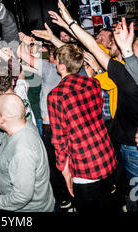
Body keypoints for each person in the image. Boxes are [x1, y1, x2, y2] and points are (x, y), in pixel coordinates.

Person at [57, 0, 138, 211]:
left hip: (131, 147)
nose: (105, 42)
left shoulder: (125, 77)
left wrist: (70, 22)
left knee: (133, 195)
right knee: (125, 189)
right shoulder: (126, 71)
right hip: (123, 142)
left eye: (109, 41)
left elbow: (91, 47)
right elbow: (91, 47)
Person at [47, 42, 117, 212]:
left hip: (84, 166)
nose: (54, 63)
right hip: (106, 157)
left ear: (62, 67)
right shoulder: (93, 83)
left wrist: (65, 171)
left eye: (56, 60)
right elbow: (98, 110)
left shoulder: (55, 96)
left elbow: (59, 139)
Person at [0, 94, 55, 212]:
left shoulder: (22, 152)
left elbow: (22, 196)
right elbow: (9, 138)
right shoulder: (25, 124)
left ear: (2, 120)